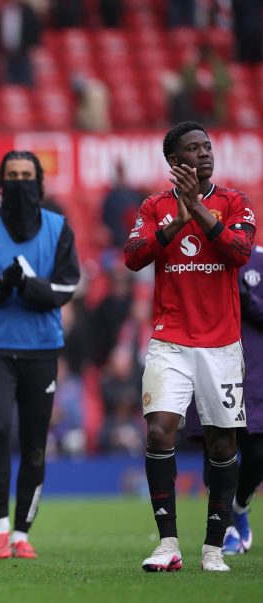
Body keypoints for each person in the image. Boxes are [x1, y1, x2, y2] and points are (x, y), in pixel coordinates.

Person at [123, 121, 255, 572]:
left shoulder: (234, 202)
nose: (204, 154)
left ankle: (213, 548)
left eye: (207, 147)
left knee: (221, 443)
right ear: (174, 161)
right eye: (193, 149)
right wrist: (174, 223)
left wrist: (196, 209)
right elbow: (133, 257)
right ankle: (168, 543)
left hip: (221, 344)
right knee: (159, 430)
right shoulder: (154, 206)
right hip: (170, 340)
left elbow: (238, 252)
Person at [0, 150, 80, 560]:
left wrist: (29, 286)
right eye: (14, 175)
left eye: (28, 175)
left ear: (39, 182)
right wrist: (5, 283)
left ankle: (23, 532)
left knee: (35, 442)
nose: (21, 182)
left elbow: (66, 288)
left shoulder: (59, 229)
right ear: (0, 185)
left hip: (42, 348)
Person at [221, 245, 263, 555]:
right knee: (219, 448)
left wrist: (244, 296)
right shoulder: (212, 259)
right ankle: (226, 527)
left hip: (257, 372)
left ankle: (239, 506)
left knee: (258, 454)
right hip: (217, 362)